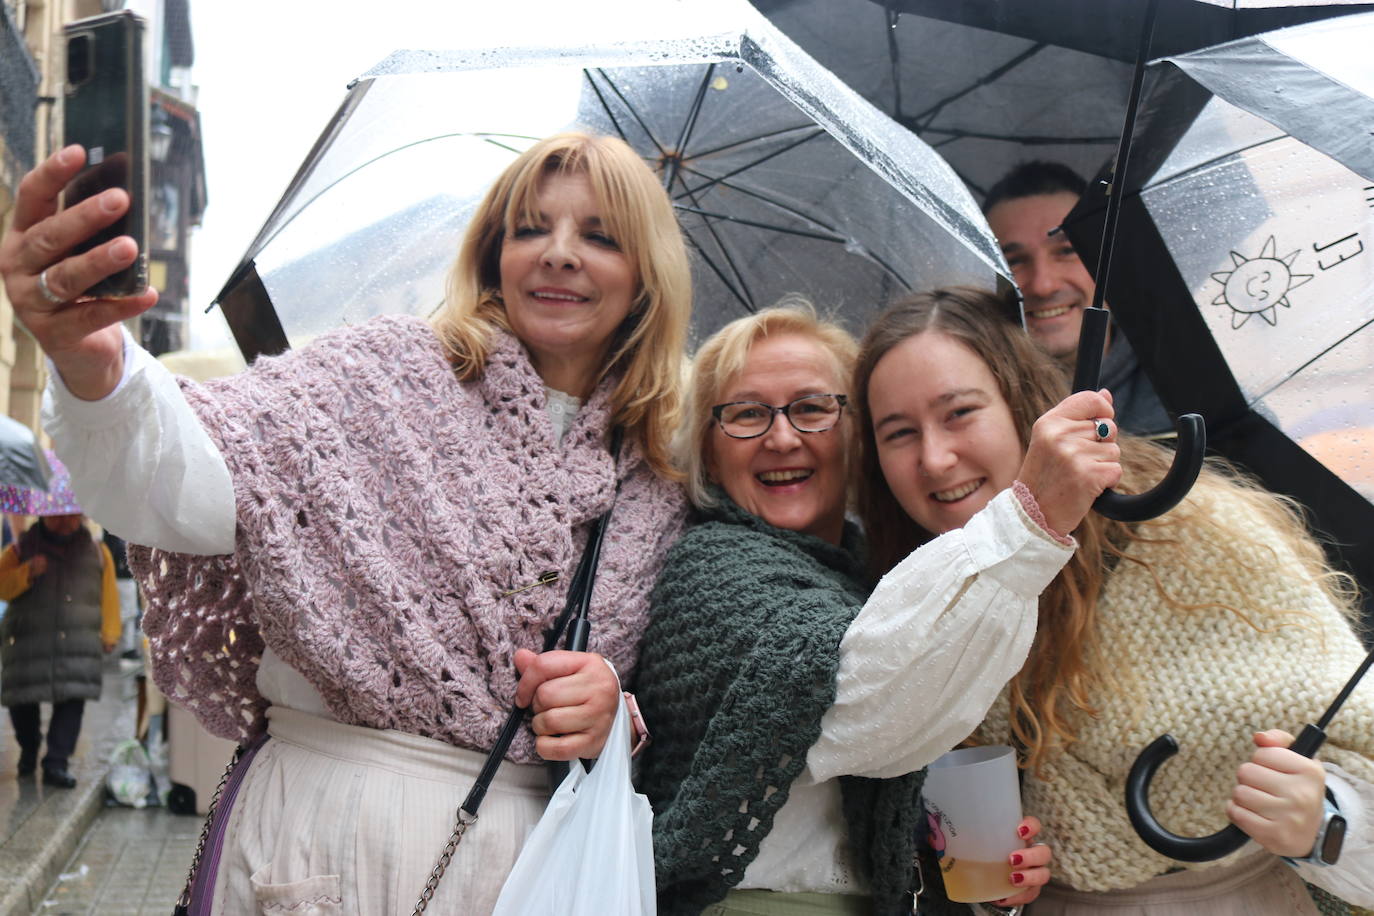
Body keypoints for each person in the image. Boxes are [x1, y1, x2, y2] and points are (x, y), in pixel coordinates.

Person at [0, 132, 691, 913]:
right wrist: (93, 367)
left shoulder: (659, 476)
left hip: (541, 876)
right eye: (531, 228)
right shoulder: (385, 375)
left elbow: (666, 708)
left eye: (600, 236)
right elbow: (177, 484)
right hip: (329, 848)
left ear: (646, 274)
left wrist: (612, 712)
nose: (560, 253)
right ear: (495, 253)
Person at [854, 287, 1374, 915]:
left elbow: (1355, 746)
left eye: (960, 412)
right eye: (899, 433)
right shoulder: (904, 609)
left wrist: (1322, 822)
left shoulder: (1191, 533)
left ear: (1025, 406)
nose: (935, 459)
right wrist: (1004, 896)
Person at [636, 300, 1124, 915]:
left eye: (812, 408)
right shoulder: (713, 567)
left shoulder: (877, 570)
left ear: (856, 437)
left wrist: (988, 883)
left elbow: (897, 788)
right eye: (746, 415)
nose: (782, 437)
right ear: (707, 450)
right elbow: (859, 701)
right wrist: (1027, 519)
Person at [982, 161, 1171, 437]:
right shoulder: (979, 419)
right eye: (1015, 261)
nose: (1043, 285)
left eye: (1067, 250)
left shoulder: (1187, 391)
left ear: (1110, 257)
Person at [0, 489, 120, 789]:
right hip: (29, 640)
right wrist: (27, 571)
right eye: (58, 514)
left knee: (72, 702)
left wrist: (110, 632)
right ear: (42, 513)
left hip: (77, 642)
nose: (66, 520)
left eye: (73, 513)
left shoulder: (96, 550)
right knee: (21, 700)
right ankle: (28, 748)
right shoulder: (20, 549)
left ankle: (56, 761)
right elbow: (2, 588)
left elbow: (109, 595)